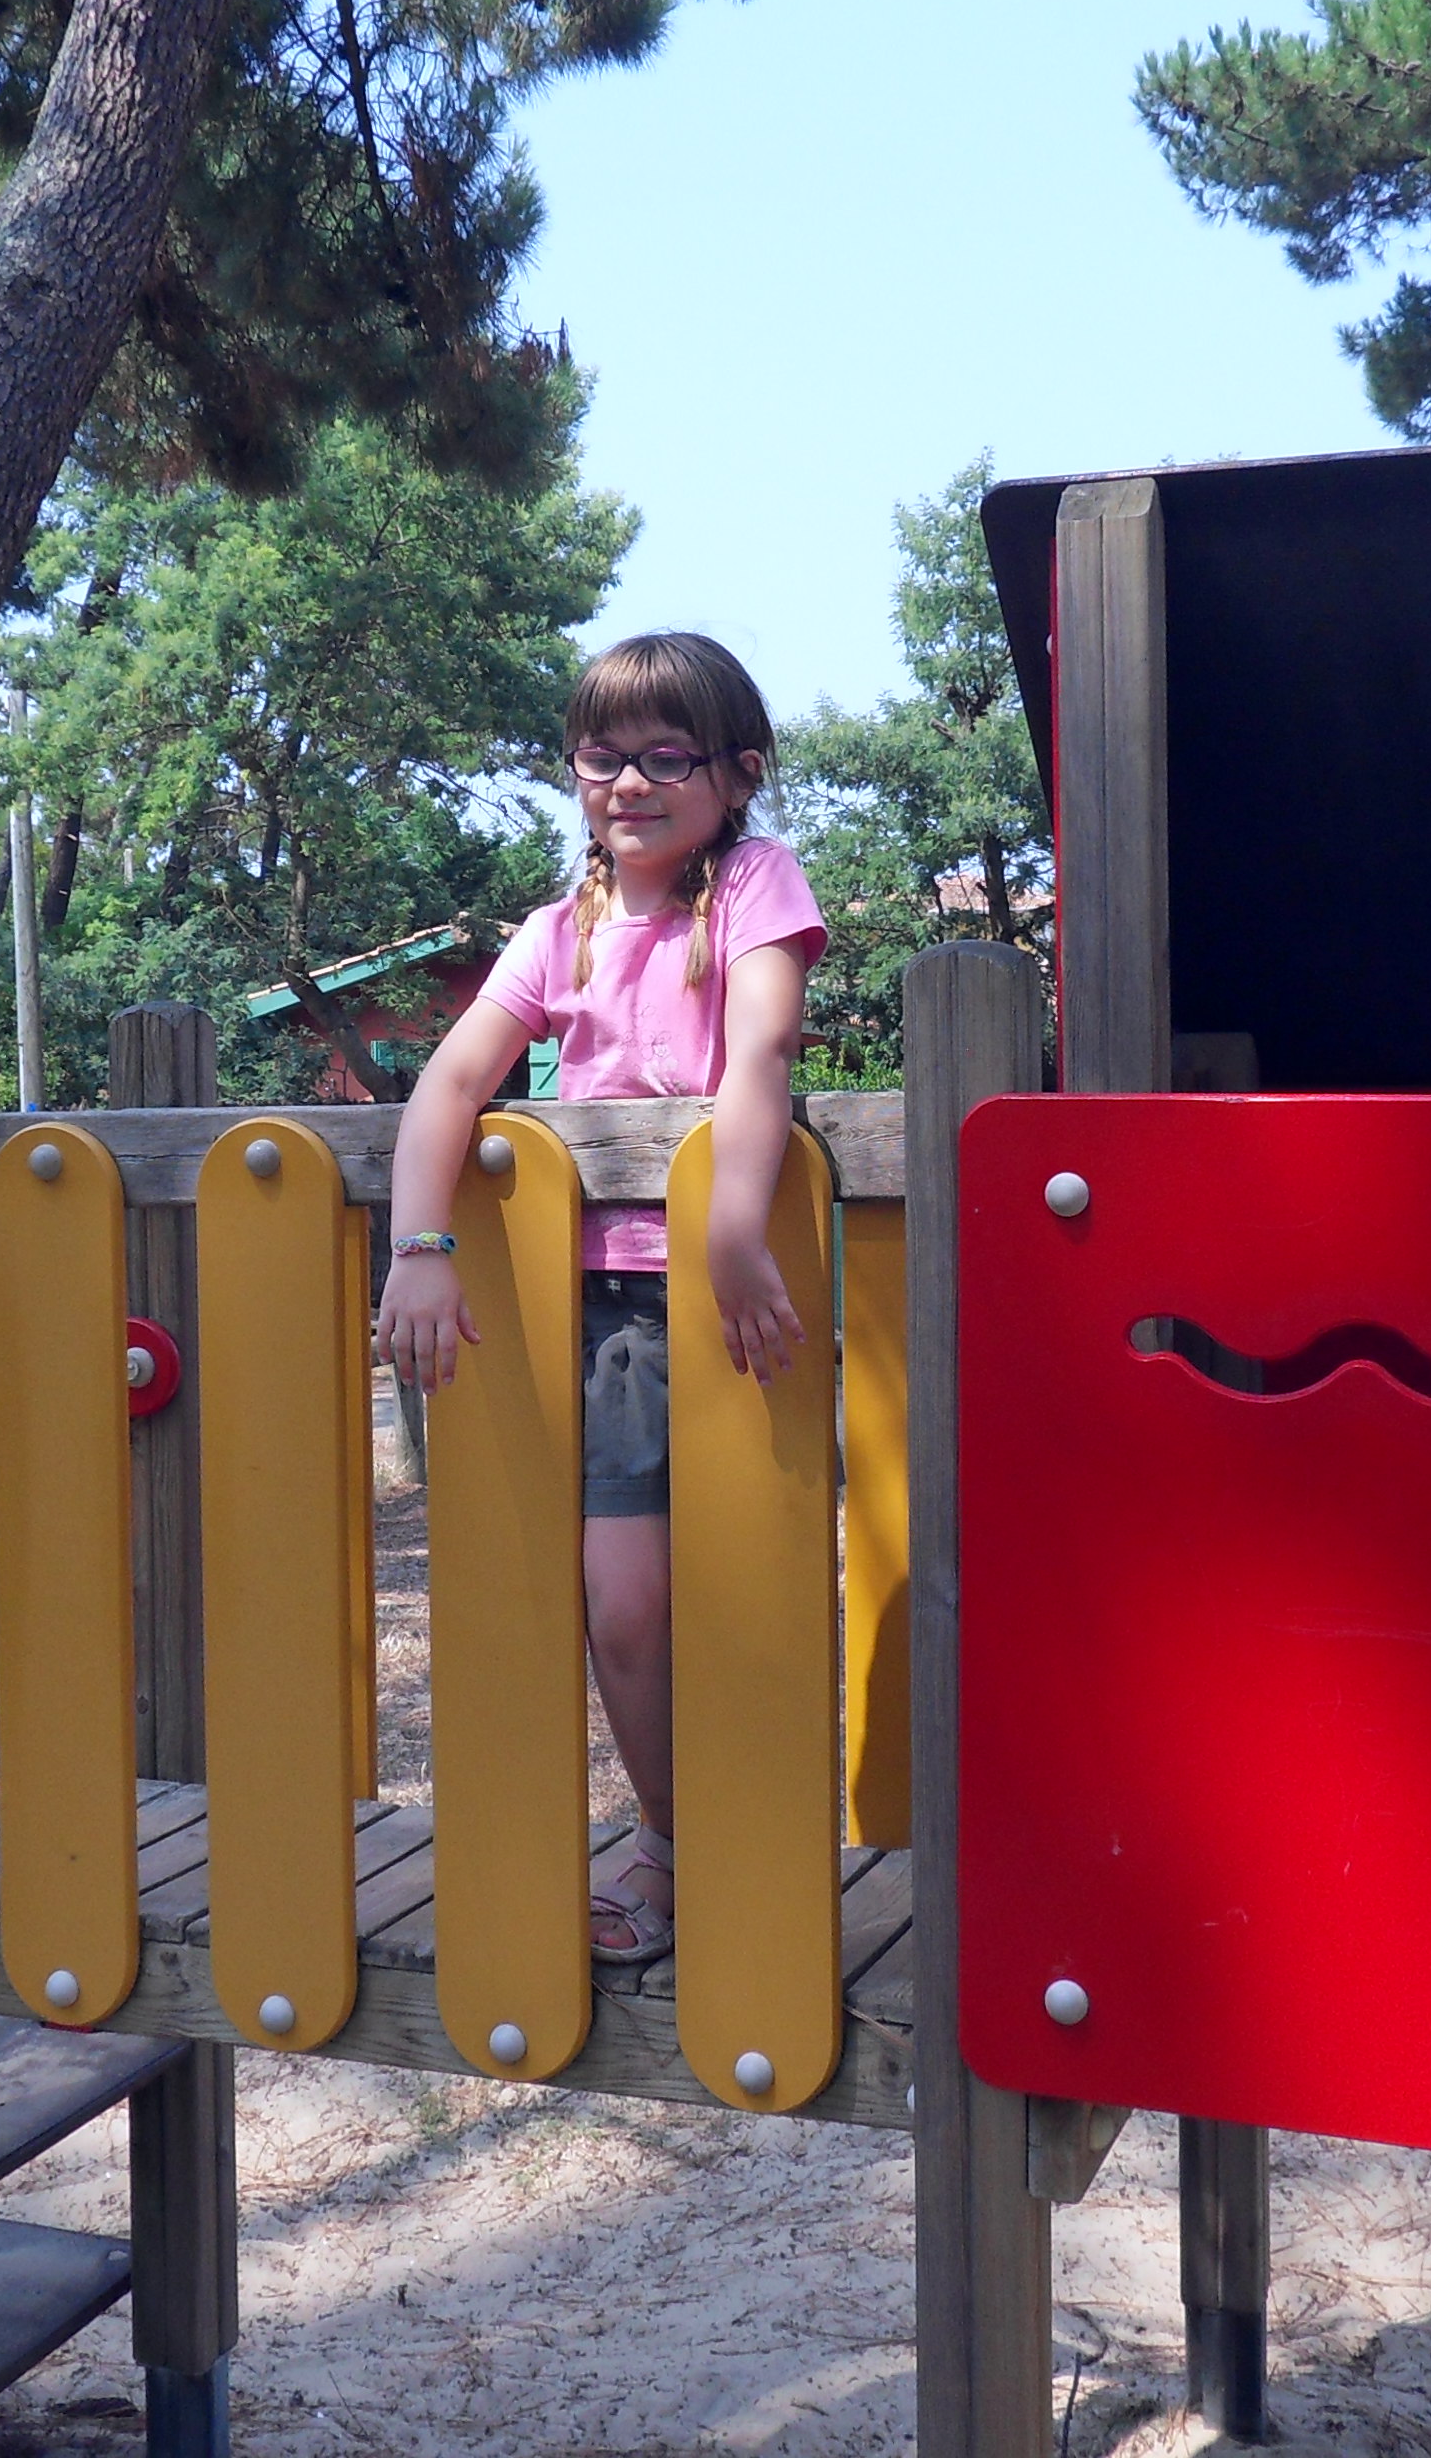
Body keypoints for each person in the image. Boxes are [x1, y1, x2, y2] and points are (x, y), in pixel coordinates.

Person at [374, 632, 826, 1966]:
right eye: (602, 754)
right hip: (599, 1312)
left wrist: (731, 1225)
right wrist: (420, 1246)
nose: (630, 781)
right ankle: (672, 1839)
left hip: (729, 1290)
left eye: (667, 755)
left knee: (758, 1585)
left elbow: (762, 1049)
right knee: (620, 1602)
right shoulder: (557, 931)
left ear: (737, 775)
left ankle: (759, 1834)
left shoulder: (752, 887)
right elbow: (451, 1084)